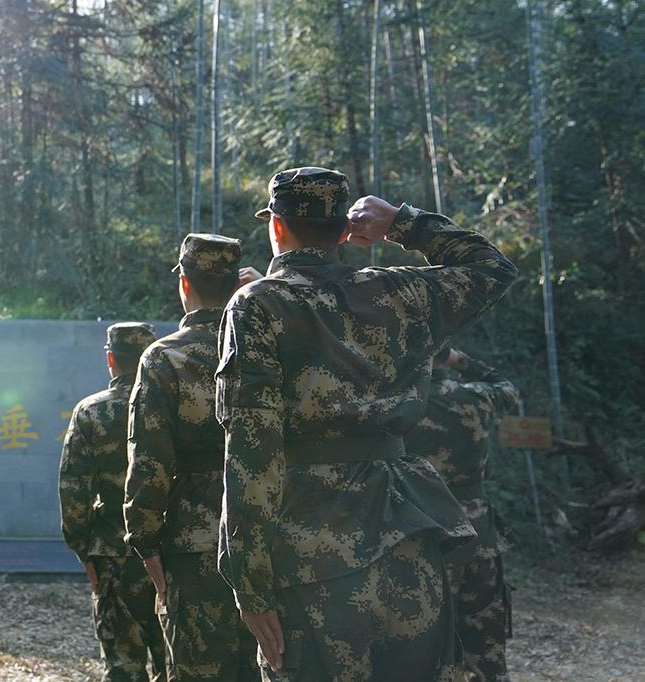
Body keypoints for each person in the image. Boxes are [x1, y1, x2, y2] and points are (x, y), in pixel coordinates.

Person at [216, 167, 518, 682]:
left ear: (277, 226)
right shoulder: (399, 294)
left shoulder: (258, 304)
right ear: (343, 232)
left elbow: (252, 452)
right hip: (408, 540)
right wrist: (403, 223)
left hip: (310, 555)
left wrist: (247, 580)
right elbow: (492, 268)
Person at [124, 234, 259, 681]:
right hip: (273, 534)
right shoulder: (268, 345)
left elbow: (150, 463)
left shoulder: (166, 357)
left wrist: (145, 541)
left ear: (184, 283)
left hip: (196, 543)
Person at [60, 322, 167, 682]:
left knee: (123, 666)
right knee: (179, 662)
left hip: (114, 557)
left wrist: (84, 551)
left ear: (111, 359)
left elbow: (73, 491)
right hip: (174, 555)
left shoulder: (91, 412)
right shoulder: (174, 405)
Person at [406, 348, 520, 682]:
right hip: (476, 534)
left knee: (421, 646)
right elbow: (508, 386)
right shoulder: (478, 398)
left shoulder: (398, 405)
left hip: (416, 534)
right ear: (445, 357)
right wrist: (462, 361)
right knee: (485, 646)